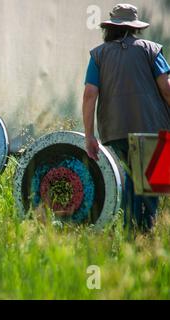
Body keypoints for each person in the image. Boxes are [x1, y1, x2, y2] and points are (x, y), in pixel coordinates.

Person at [82, 4, 170, 232]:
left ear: (110, 28)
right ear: (134, 28)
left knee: (132, 173)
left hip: (115, 130)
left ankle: (132, 232)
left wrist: (89, 135)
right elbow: (167, 89)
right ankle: (144, 234)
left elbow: (89, 94)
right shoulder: (151, 49)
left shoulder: (98, 54)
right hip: (152, 126)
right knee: (150, 184)